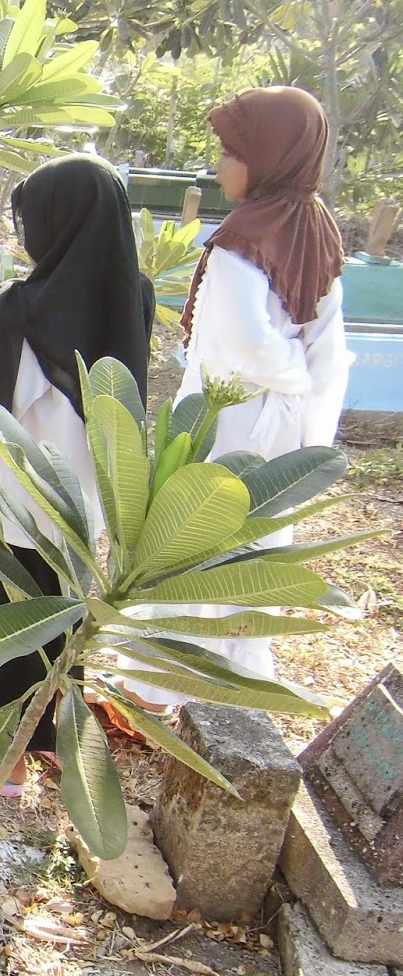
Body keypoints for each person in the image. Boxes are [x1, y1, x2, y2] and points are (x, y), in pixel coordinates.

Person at [125, 85, 350, 704]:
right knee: (256, 550)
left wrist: (289, 379)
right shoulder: (318, 235)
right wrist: (312, 434)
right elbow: (329, 354)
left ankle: (159, 683)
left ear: (270, 156)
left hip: (228, 416)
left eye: (229, 152)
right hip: (280, 427)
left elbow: (243, 344)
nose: (219, 165)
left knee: (194, 535)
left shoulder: (240, 243)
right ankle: (241, 682)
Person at [0, 154, 154, 793]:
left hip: (15, 509)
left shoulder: (22, 310)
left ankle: (2, 763)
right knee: (63, 626)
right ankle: (57, 745)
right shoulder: (133, 296)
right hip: (87, 511)